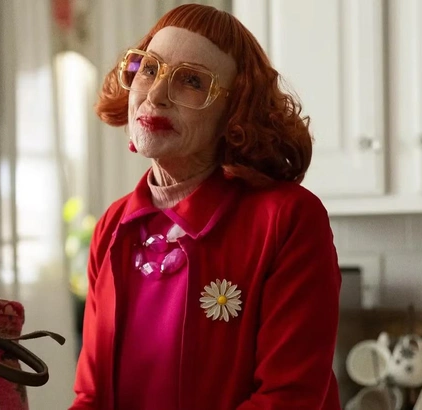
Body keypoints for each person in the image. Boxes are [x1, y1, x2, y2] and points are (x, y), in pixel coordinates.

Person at [70, 4, 341, 410]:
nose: (156, 95)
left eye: (191, 81)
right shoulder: (113, 224)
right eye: (149, 69)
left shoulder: (288, 219)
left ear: (235, 114)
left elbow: (288, 398)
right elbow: (91, 397)